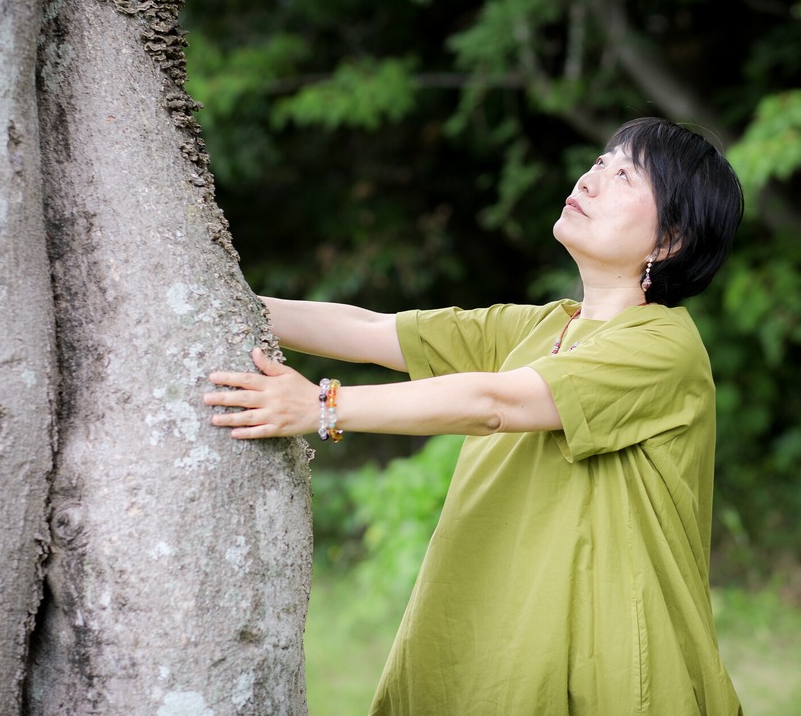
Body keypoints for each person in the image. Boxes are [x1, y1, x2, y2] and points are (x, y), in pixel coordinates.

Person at [203, 117, 744, 715]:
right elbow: (369, 329)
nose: (591, 180)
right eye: (599, 161)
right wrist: (210, 295)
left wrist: (324, 406)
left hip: (611, 662)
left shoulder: (663, 346)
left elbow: (497, 404)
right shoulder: (539, 326)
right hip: (490, 640)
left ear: (668, 241)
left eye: (625, 176)